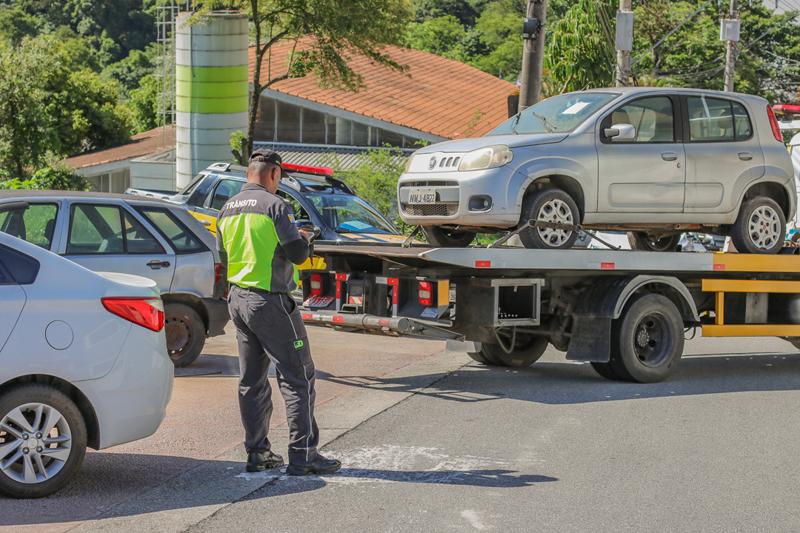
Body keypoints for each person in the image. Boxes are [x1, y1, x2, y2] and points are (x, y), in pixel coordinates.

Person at [216, 148, 341, 476]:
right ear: (274, 174)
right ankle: (303, 456)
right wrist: (305, 239)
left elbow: (224, 257)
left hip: (238, 301)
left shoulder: (226, 209)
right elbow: (298, 255)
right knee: (298, 376)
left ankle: (258, 453)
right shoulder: (276, 206)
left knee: (251, 381)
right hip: (270, 302)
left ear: (248, 174)